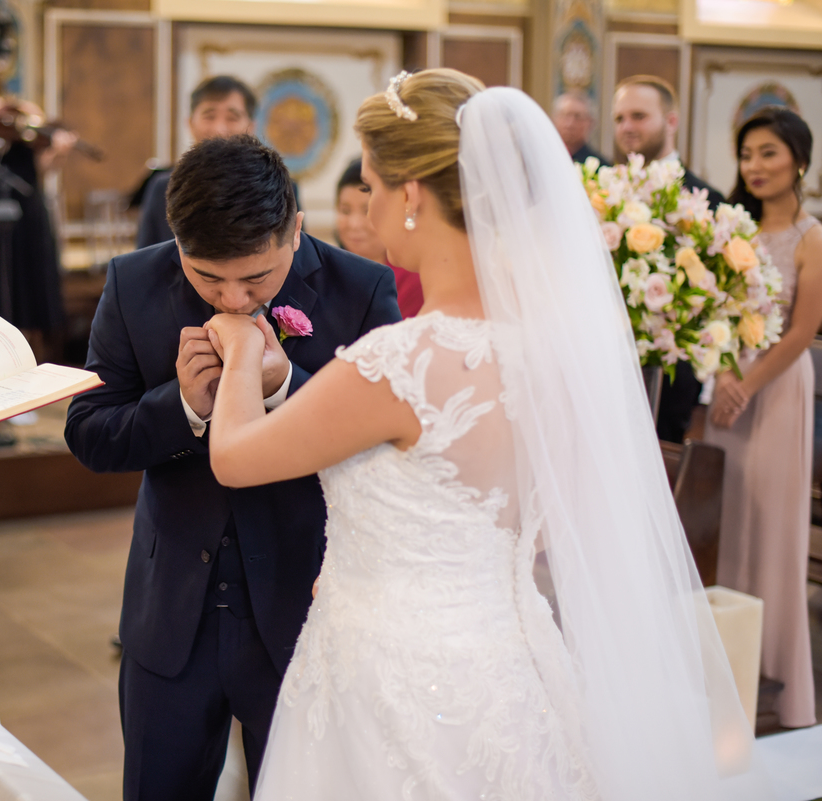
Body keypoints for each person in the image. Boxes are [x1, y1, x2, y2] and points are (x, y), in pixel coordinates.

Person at [203, 69, 767, 800]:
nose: (365, 206)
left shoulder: (396, 363)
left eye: (371, 186)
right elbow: (532, 525)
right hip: (512, 662)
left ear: (411, 195)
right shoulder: (554, 356)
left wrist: (243, 350)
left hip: (393, 674)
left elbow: (236, 457)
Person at [64, 134, 400, 800]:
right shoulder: (133, 284)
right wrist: (182, 406)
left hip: (304, 610)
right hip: (171, 617)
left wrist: (285, 389)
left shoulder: (361, 291)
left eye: (257, 278)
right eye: (208, 278)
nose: (234, 299)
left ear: (296, 228)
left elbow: (386, 455)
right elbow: (91, 434)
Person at [705, 106, 822, 729]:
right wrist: (722, 372)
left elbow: (804, 330)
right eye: (747, 154)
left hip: (776, 388)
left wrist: (746, 385)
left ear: (798, 159)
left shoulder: (811, 237)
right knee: (730, 512)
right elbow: (710, 305)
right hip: (729, 383)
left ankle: (775, 681)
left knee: (771, 523)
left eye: (768, 153)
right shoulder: (732, 229)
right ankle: (722, 663)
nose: (754, 166)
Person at [613, 74, 723, 443]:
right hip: (608, 370)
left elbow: (716, 303)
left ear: (671, 121)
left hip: (674, 384)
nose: (627, 127)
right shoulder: (604, 194)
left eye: (639, 116)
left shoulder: (706, 199)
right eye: (619, 118)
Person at [0, 73, 75, 358]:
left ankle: (34, 352)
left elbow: (43, 168)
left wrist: (60, 152)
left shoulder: (23, 115)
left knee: (30, 280)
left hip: (27, 210)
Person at [135, 75, 258, 249]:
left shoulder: (281, 187)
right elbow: (145, 262)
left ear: (251, 127)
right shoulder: (162, 188)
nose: (219, 129)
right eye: (209, 116)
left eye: (232, 118)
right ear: (190, 123)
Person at [335, 156, 422, 316]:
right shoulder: (325, 272)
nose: (354, 224)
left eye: (366, 211)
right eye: (345, 211)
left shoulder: (412, 279)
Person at [552, 90, 609, 165]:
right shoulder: (544, 157)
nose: (570, 124)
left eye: (577, 117)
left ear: (590, 123)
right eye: (565, 115)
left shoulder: (600, 165)